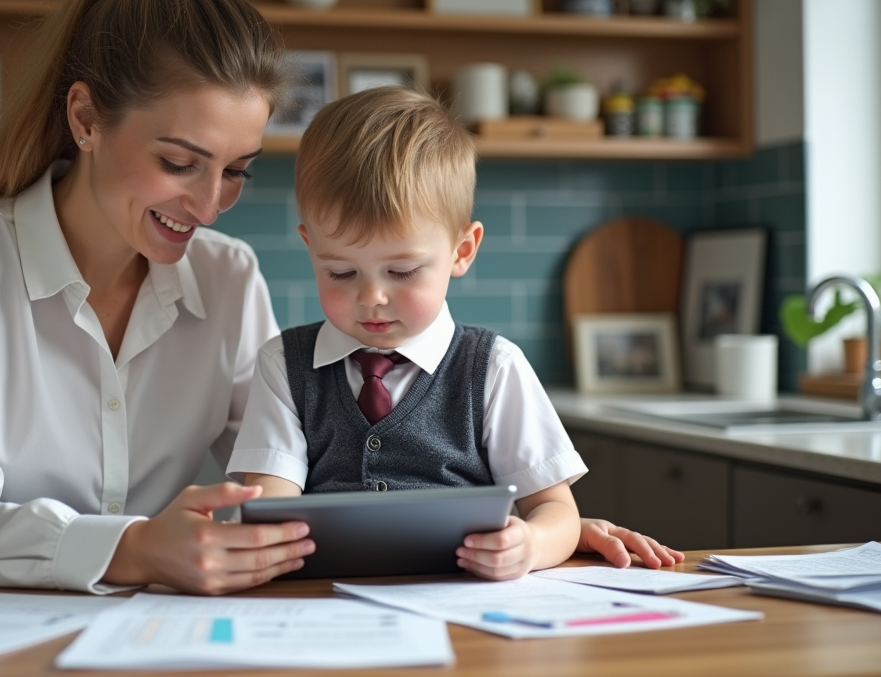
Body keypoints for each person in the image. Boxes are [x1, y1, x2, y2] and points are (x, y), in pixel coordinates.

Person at [0, 0, 679, 596]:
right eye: (180, 163)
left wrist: (540, 530)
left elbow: (305, 471)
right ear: (86, 118)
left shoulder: (226, 274)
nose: (210, 205)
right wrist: (134, 548)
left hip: (139, 630)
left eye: (237, 170)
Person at [228, 86, 683, 580]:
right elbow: (271, 512)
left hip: (464, 604)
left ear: (462, 251)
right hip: (326, 601)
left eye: (402, 272)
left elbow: (557, 511)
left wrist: (530, 544)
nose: (371, 297)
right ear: (310, 247)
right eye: (340, 272)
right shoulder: (283, 364)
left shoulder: (494, 367)